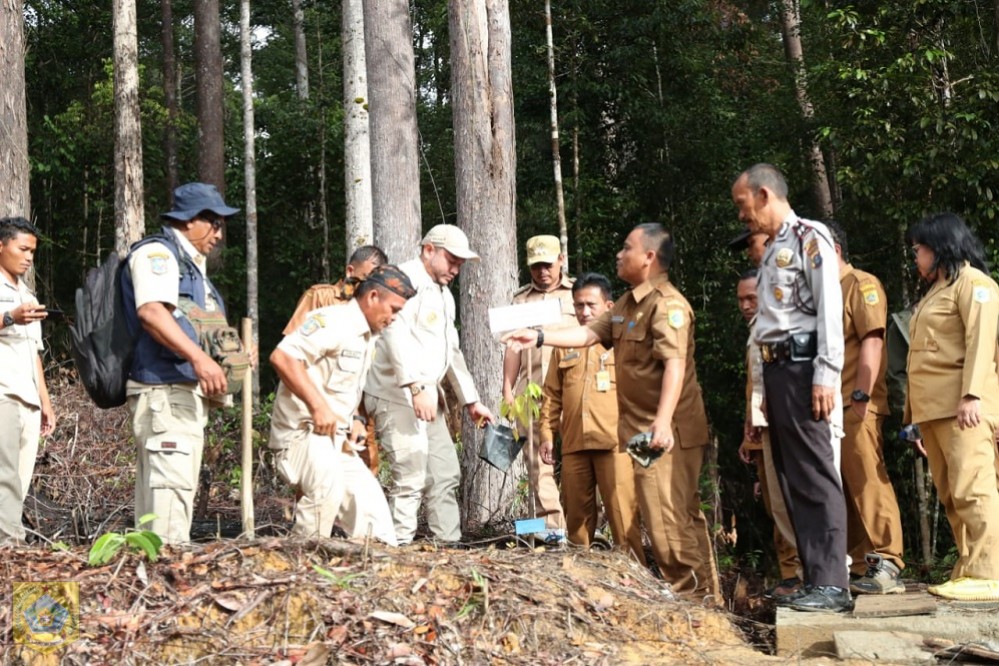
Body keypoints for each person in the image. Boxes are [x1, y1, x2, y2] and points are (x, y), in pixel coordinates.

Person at [504, 223, 720, 602]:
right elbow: (588, 335)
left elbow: (675, 365)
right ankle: (697, 597)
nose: (619, 255)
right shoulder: (627, 305)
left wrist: (662, 422)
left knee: (669, 518)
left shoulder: (666, 305)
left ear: (648, 257)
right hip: (637, 432)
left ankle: (695, 601)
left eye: (627, 248)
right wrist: (538, 336)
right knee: (666, 515)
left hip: (665, 432)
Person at [731, 163, 851, 612]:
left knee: (815, 474)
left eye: (743, 204)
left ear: (764, 195)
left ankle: (833, 584)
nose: (742, 215)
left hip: (804, 369)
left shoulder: (808, 236)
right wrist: (763, 395)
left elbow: (829, 308)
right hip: (778, 371)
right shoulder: (773, 249)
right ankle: (813, 576)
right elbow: (769, 325)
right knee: (790, 478)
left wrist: (826, 374)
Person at [120, 182, 240, 544]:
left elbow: (198, 325)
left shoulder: (192, 267)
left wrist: (233, 357)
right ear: (189, 220)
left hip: (180, 394)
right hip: (165, 392)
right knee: (168, 520)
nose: (219, 234)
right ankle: (164, 576)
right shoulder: (158, 254)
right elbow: (152, 312)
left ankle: (150, 574)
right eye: (214, 224)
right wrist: (200, 359)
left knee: (163, 510)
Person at [364, 224, 494, 545]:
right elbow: (393, 334)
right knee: (410, 475)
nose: (456, 269)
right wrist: (415, 386)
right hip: (398, 394)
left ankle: (447, 545)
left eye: (460, 263)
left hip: (429, 397)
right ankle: (398, 549)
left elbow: (452, 351)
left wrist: (471, 400)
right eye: (452, 260)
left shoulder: (444, 294)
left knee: (444, 472)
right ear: (428, 250)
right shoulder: (402, 279)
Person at [269, 265, 416, 545]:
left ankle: (373, 569)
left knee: (375, 519)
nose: (394, 318)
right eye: (394, 309)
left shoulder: (367, 336)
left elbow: (344, 388)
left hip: (336, 441)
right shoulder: (333, 321)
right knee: (327, 487)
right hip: (302, 433)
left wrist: (355, 420)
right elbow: (283, 357)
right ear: (373, 296)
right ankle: (303, 562)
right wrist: (318, 407)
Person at [904, 212, 999, 602]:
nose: (915, 257)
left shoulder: (975, 284)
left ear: (940, 246)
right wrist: (913, 419)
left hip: (964, 407)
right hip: (935, 410)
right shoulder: (936, 291)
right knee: (951, 493)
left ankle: (990, 571)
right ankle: (968, 566)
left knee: (973, 487)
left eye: (918, 249)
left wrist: (972, 394)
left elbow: (981, 341)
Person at [538, 272, 644, 561]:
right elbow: (551, 395)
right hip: (575, 445)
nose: (584, 312)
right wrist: (547, 434)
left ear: (609, 306)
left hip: (615, 445)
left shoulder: (625, 341)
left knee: (624, 520)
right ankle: (579, 577)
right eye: (578, 305)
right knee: (576, 522)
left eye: (590, 305)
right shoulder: (565, 344)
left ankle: (633, 576)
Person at [823, 221, 906, 594]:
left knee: (868, 480)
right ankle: (861, 564)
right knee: (845, 487)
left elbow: (872, 340)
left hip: (856, 403)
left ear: (835, 249)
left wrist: (861, 396)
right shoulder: (824, 293)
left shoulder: (860, 284)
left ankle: (888, 559)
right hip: (830, 407)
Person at [283, 245, 389, 474]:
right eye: (366, 278)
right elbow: (290, 353)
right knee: (317, 471)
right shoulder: (321, 297)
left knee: (365, 466)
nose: (370, 287)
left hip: (357, 402)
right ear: (350, 271)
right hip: (320, 403)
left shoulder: (377, 310)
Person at [502, 234, 576, 530]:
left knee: (577, 459)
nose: (542, 272)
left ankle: (583, 526)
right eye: (536, 266)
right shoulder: (520, 300)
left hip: (571, 391)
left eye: (547, 265)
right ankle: (553, 530)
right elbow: (512, 348)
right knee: (537, 464)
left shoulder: (577, 294)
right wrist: (508, 390)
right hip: (531, 393)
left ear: (561, 260)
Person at [735, 268, 801, 596]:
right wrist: (749, 434)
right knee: (777, 505)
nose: (746, 305)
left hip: (786, 425)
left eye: (752, 298)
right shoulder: (756, 331)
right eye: (741, 300)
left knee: (793, 501)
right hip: (762, 428)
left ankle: (808, 572)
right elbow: (756, 385)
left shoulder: (783, 326)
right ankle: (792, 573)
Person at [0, 217, 56, 544]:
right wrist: (10, 316)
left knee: (20, 479)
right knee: (3, 475)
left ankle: (8, 543)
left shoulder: (28, 294)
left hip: (28, 398)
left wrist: (45, 402)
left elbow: (35, 351)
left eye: (32, 252)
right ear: (1, 246)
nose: (28, 258)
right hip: (3, 393)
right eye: (22, 249)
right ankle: (12, 546)